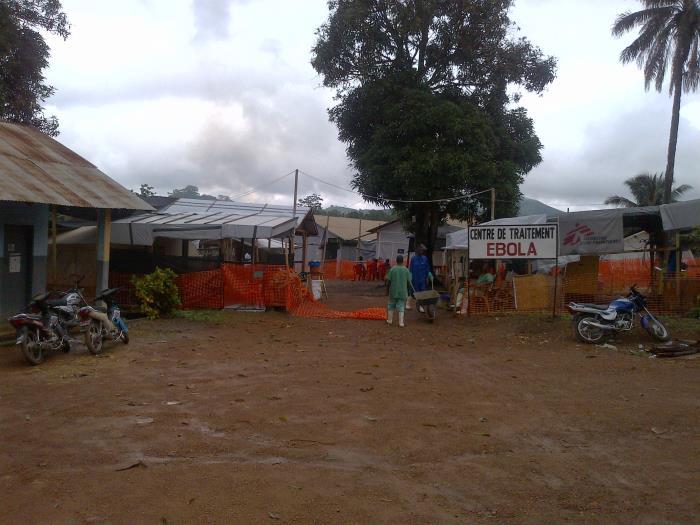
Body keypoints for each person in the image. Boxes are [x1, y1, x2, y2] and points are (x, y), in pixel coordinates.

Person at [385, 254, 411, 327]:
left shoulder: (392, 269)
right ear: (403, 261)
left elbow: (388, 281)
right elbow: (409, 282)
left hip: (393, 291)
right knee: (401, 306)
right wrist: (409, 292)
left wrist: (387, 291)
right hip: (403, 291)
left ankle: (390, 321)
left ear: (396, 261)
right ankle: (401, 323)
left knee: (391, 305)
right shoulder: (406, 270)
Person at [408, 245, 432, 311]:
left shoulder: (425, 258)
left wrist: (429, 275)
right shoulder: (413, 259)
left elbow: (427, 268)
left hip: (423, 279)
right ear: (417, 250)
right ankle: (408, 304)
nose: (422, 251)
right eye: (421, 250)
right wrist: (410, 276)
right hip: (415, 279)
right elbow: (411, 269)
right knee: (414, 292)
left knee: (422, 293)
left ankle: (421, 306)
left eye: (423, 250)